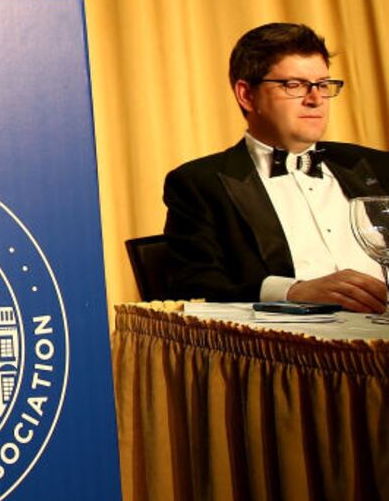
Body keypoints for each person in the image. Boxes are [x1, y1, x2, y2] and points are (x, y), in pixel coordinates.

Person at [162, 23, 389, 310]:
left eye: (322, 84)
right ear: (246, 95)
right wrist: (292, 292)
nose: (316, 99)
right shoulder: (199, 183)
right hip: (290, 346)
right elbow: (193, 285)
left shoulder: (377, 166)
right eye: (294, 85)